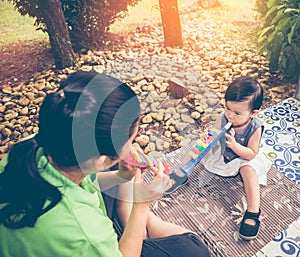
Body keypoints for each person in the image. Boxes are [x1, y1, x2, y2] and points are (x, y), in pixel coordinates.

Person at [0, 71, 210, 257]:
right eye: (130, 141)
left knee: (116, 170)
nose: (133, 145)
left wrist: (121, 177)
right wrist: (141, 205)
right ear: (97, 160)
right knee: (193, 250)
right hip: (77, 237)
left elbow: (80, 182)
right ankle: (130, 214)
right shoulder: (84, 232)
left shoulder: (35, 144)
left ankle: (127, 212)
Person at [166, 76, 272, 240]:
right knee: (199, 146)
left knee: (250, 171)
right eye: (227, 108)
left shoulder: (255, 128)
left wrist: (236, 146)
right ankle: (182, 172)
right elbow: (214, 133)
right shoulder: (223, 117)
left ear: (253, 113)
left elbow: (251, 153)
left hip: (243, 156)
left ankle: (253, 210)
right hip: (222, 152)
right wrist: (208, 138)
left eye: (237, 113)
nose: (230, 115)